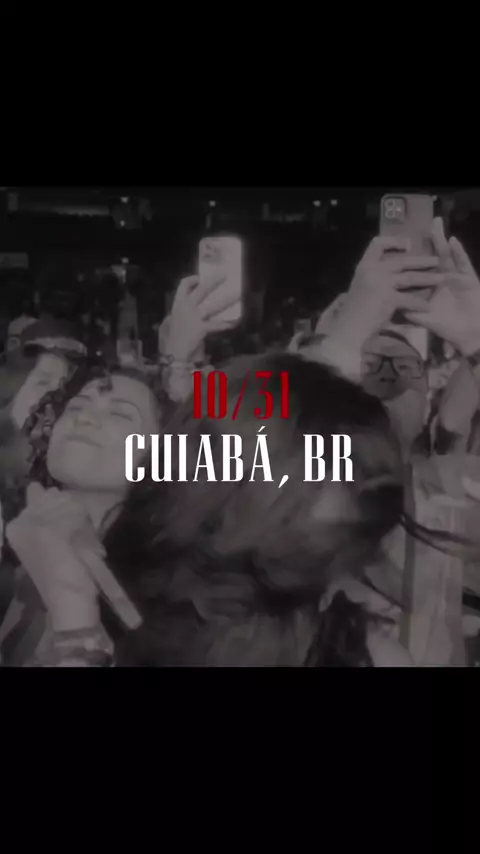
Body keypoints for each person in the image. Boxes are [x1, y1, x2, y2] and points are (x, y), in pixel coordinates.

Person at [6, 352, 413, 666]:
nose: (86, 421)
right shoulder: (65, 574)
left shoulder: (355, 651)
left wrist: (75, 629)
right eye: (76, 406)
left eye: (120, 415)